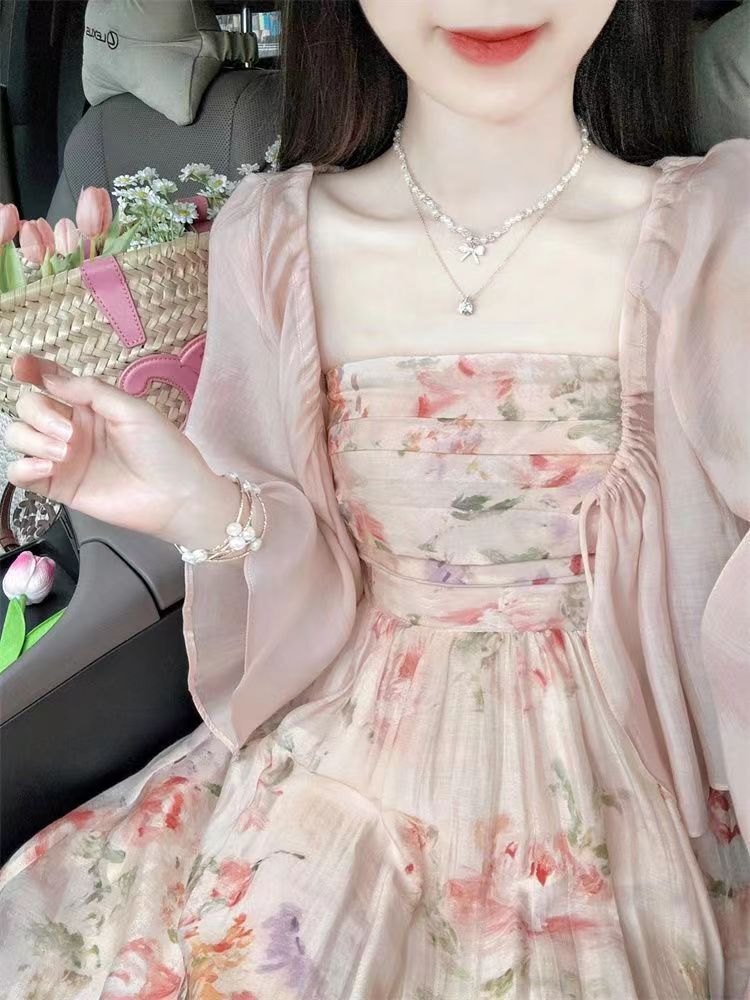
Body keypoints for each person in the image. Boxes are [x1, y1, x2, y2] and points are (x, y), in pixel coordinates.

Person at [0, 1, 748, 997]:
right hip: (345, 762)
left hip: (629, 777)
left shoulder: (716, 232)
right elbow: (304, 589)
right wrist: (196, 505)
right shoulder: (274, 238)